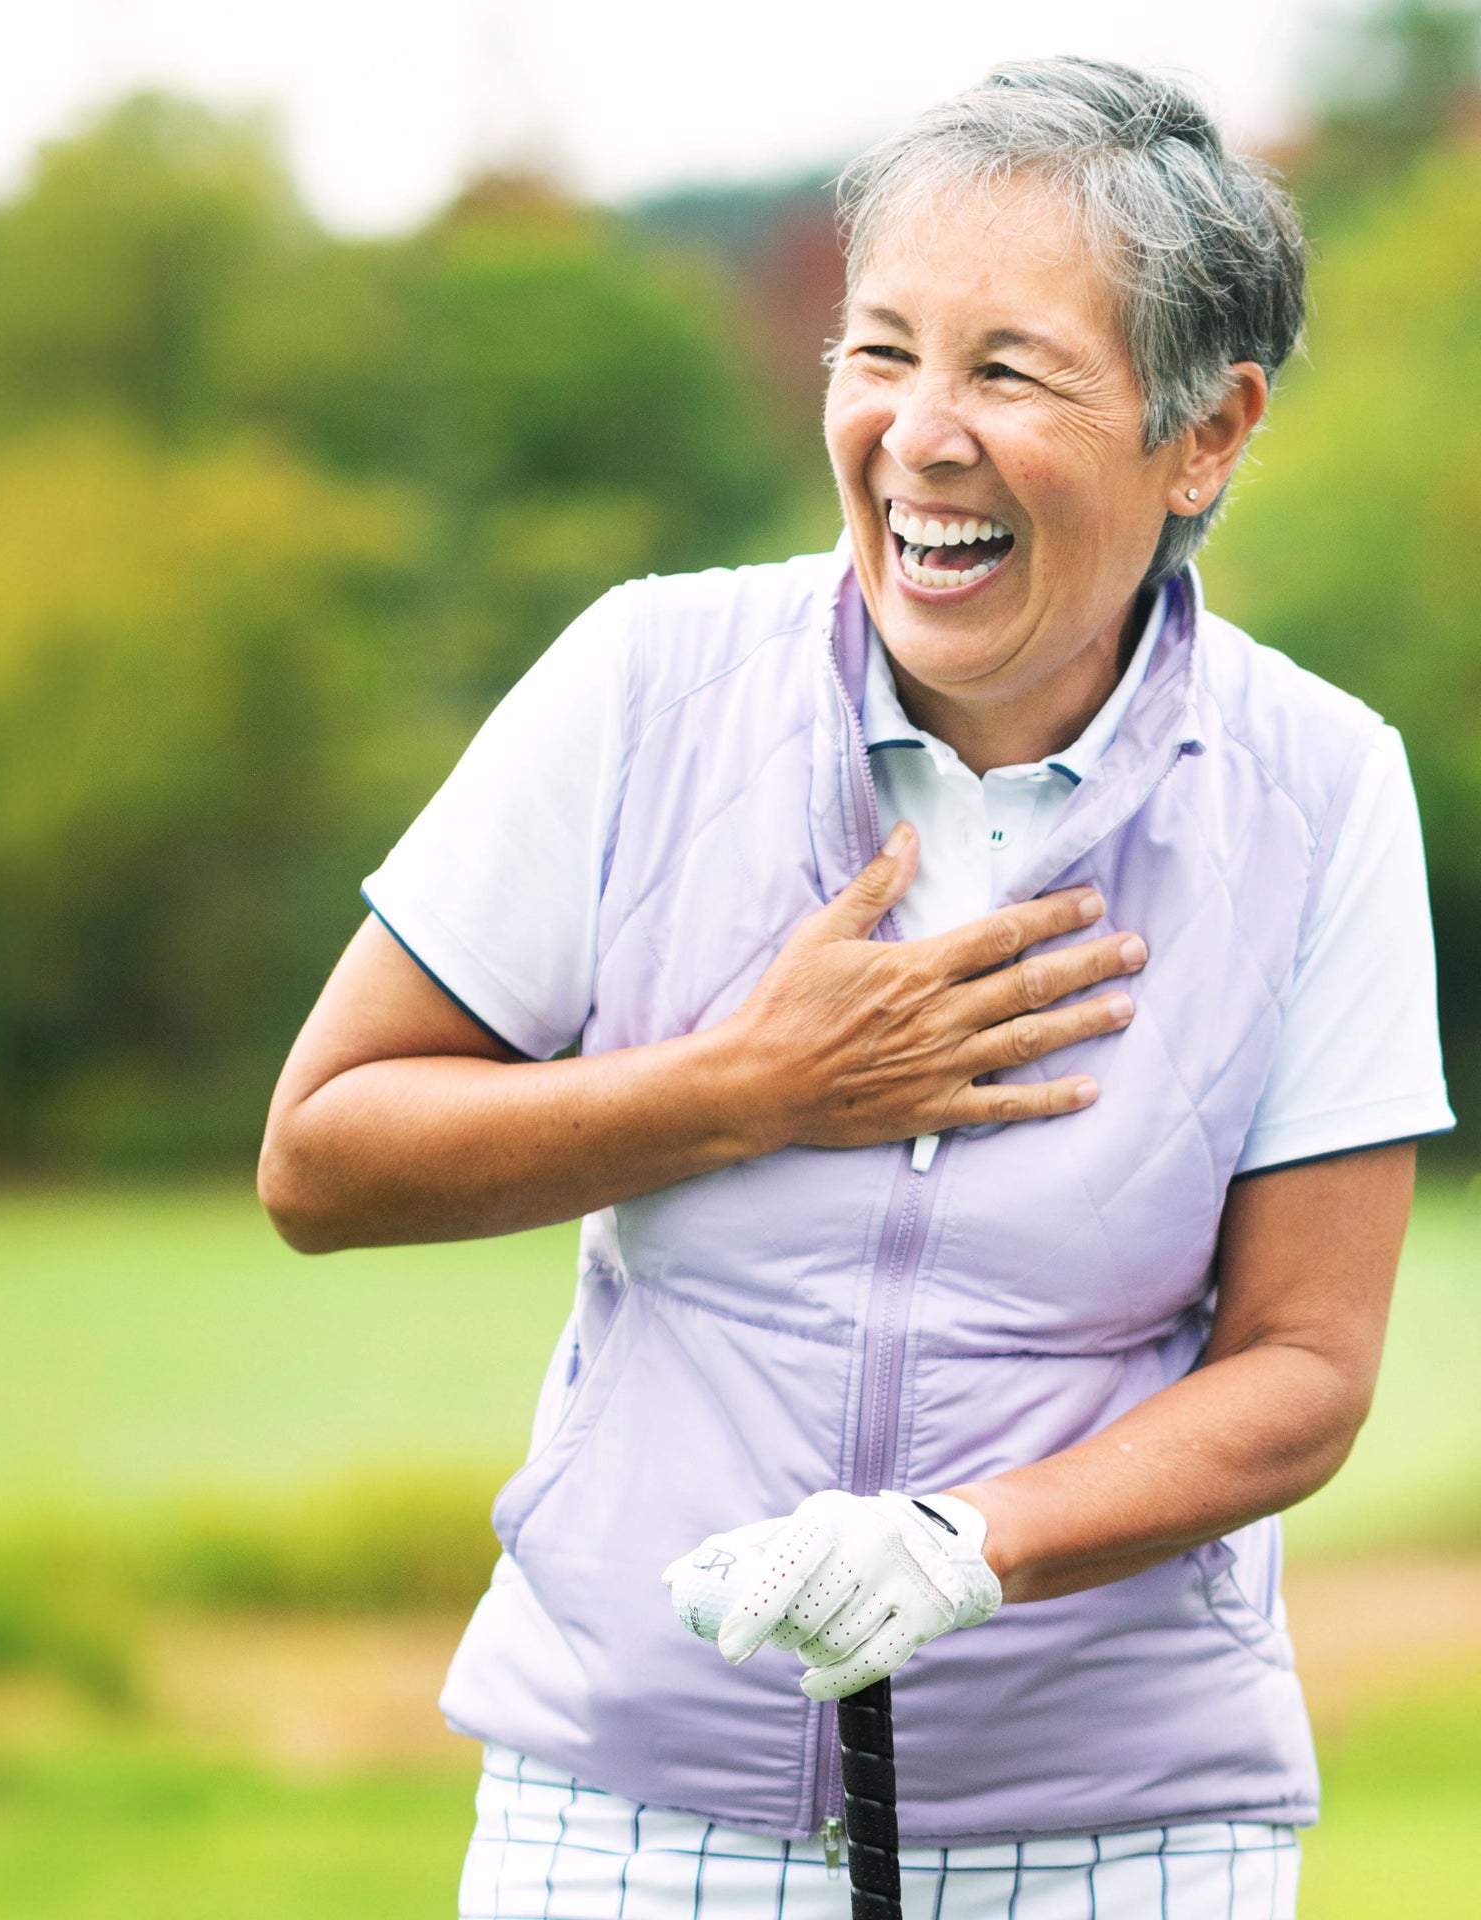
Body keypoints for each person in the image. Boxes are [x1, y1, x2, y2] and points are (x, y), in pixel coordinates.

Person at [258, 57, 1453, 1920]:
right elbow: (323, 1159)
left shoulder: (1320, 786)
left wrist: (972, 1542)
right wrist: (749, 1082)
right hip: (632, 1809)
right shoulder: (641, 683)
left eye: (1008, 369)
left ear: (1206, 434)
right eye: (878, 352)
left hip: (1124, 1833)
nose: (919, 434)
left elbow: (1306, 1368)